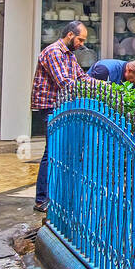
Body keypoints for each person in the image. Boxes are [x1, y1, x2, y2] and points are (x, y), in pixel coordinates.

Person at [30, 20, 90, 212]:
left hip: (62, 107)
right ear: (70, 35)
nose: (82, 44)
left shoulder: (69, 55)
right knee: (52, 152)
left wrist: (102, 87)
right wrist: (88, 89)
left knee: (61, 151)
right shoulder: (54, 52)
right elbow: (65, 82)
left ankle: (56, 196)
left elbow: (81, 77)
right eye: (80, 39)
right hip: (50, 107)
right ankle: (42, 200)